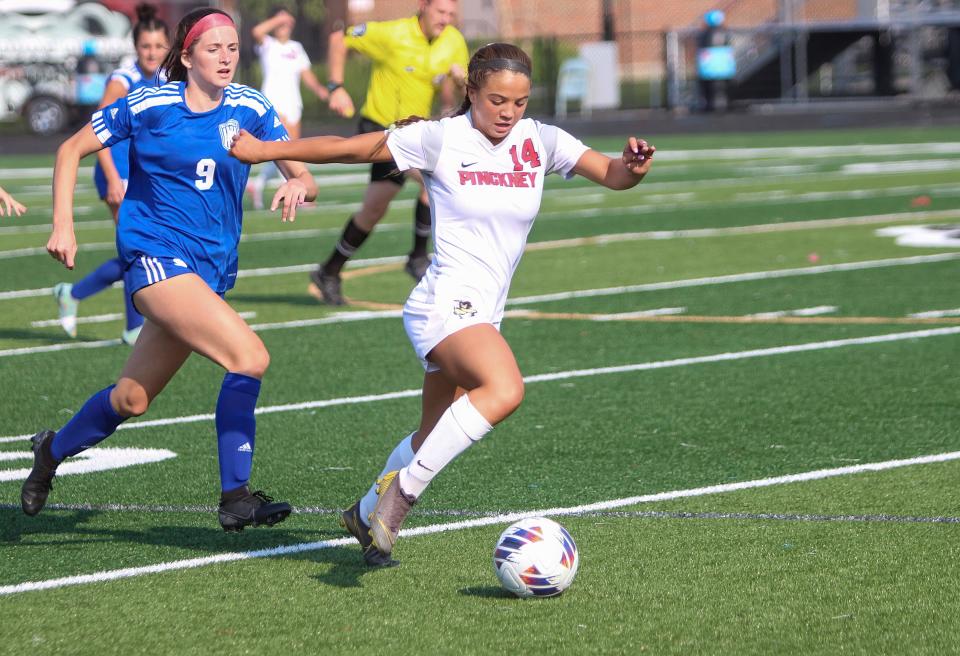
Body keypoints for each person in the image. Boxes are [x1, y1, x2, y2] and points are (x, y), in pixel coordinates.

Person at [229, 42, 655, 563]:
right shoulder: (439, 137)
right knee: (503, 388)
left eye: (519, 102)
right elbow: (356, 148)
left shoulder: (541, 141)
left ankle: (363, 513)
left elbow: (613, 175)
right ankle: (399, 499)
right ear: (471, 91)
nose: (508, 112)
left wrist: (633, 166)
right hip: (444, 304)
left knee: (433, 431)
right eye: (497, 99)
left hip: (483, 310)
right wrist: (265, 152)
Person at [22, 7, 318, 532]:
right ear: (187, 56)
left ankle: (51, 451)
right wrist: (63, 225)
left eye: (232, 48)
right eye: (213, 49)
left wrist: (298, 182)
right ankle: (236, 496)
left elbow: (301, 172)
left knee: (131, 399)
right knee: (248, 356)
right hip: (154, 256)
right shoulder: (151, 103)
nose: (226, 57)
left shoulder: (251, 106)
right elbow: (71, 148)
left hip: (208, 271)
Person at [311, 0, 468, 306]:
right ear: (423, 6)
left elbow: (454, 89)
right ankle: (418, 257)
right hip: (380, 126)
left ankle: (329, 271)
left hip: (413, 132)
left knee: (373, 209)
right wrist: (335, 87)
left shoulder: (454, 41)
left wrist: (460, 83)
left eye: (451, 14)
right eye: (441, 12)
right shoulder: (392, 33)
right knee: (434, 178)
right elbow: (337, 40)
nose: (446, 19)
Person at [52, 3, 170, 345]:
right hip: (116, 175)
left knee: (142, 250)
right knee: (138, 250)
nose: (152, 53)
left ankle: (72, 294)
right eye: (146, 46)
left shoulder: (165, 78)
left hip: (143, 175)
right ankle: (133, 328)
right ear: (136, 48)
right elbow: (99, 125)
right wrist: (113, 177)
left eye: (159, 46)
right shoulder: (124, 79)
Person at [245, 6, 329, 210]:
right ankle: (298, 195)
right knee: (285, 150)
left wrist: (321, 90)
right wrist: (278, 19)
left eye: (286, 23)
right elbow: (256, 32)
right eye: (279, 23)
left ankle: (259, 184)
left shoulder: (296, 47)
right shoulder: (268, 44)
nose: (284, 26)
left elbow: (306, 74)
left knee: (292, 152)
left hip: (294, 103)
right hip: (274, 102)